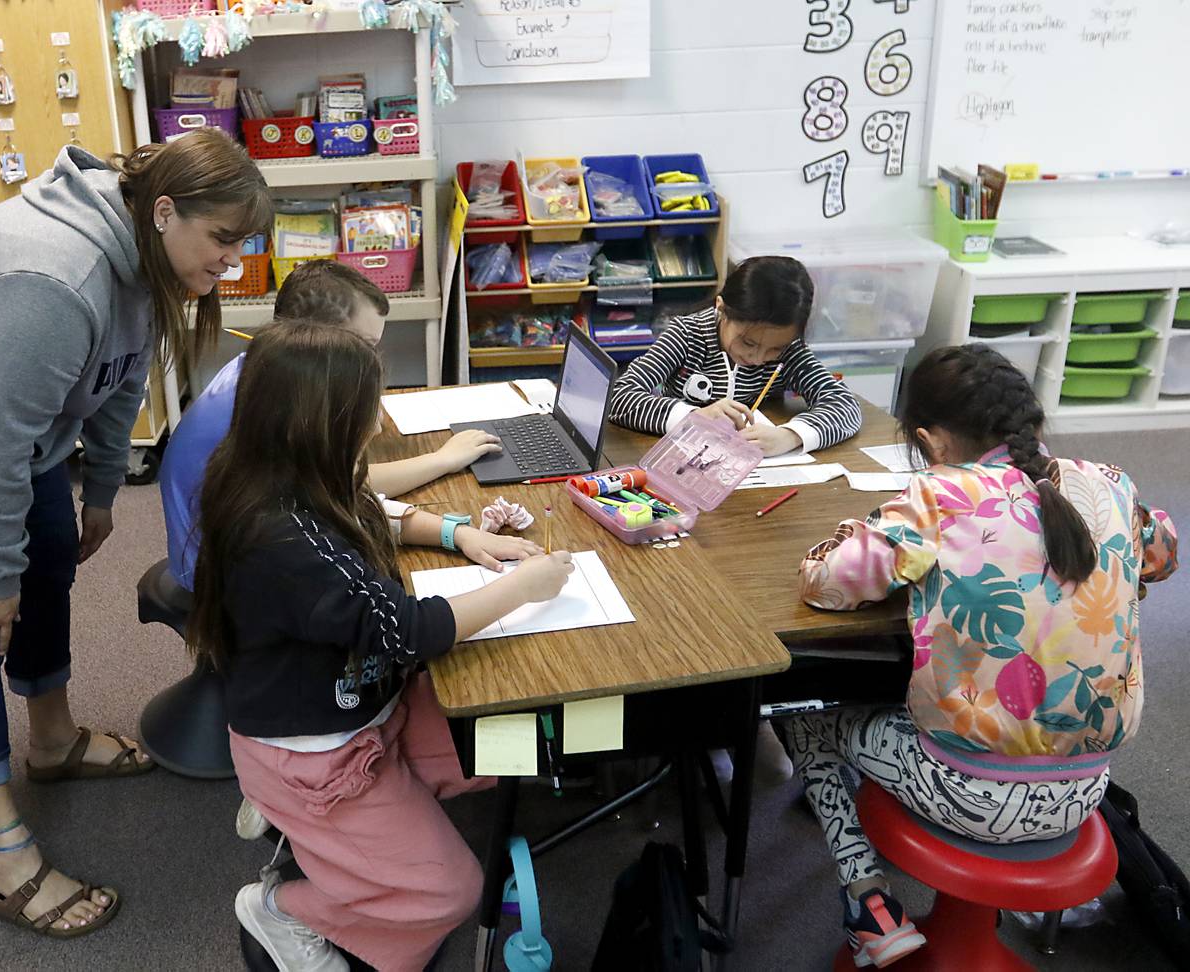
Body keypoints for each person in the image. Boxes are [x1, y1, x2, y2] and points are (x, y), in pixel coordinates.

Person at [0, 129, 271, 937]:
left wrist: (101, 489)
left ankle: (53, 741)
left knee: (48, 563)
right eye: (223, 240)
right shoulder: (53, 278)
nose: (231, 263)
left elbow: (120, 373)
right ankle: (1, 855)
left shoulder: (139, 255)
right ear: (165, 210)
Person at [189, 322, 574, 971]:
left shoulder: (286, 473)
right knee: (447, 892)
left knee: (498, 743)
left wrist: (459, 535)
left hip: (358, 711)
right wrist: (524, 588)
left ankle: (321, 839)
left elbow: (374, 506)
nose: (372, 425)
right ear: (321, 422)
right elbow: (407, 630)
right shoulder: (283, 539)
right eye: (365, 412)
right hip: (315, 754)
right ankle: (284, 907)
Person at [785, 344, 1177, 968]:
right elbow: (1160, 555)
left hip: (967, 792)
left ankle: (868, 899)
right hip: (1085, 788)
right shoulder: (1112, 484)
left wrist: (845, 536)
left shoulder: (939, 497)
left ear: (930, 441)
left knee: (799, 708)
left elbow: (827, 583)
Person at [160, 258, 502, 589]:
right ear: (319, 337)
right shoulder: (277, 406)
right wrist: (441, 461)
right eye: (364, 347)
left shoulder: (262, 366)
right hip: (222, 580)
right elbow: (347, 487)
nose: (369, 362)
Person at [608, 255, 862, 456]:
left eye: (775, 349)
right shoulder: (686, 335)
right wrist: (692, 417)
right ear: (721, 309)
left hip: (753, 478)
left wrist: (790, 435)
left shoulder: (791, 352)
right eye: (748, 342)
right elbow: (619, 397)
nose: (758, 358)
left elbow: (844, 404)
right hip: (679, 466)